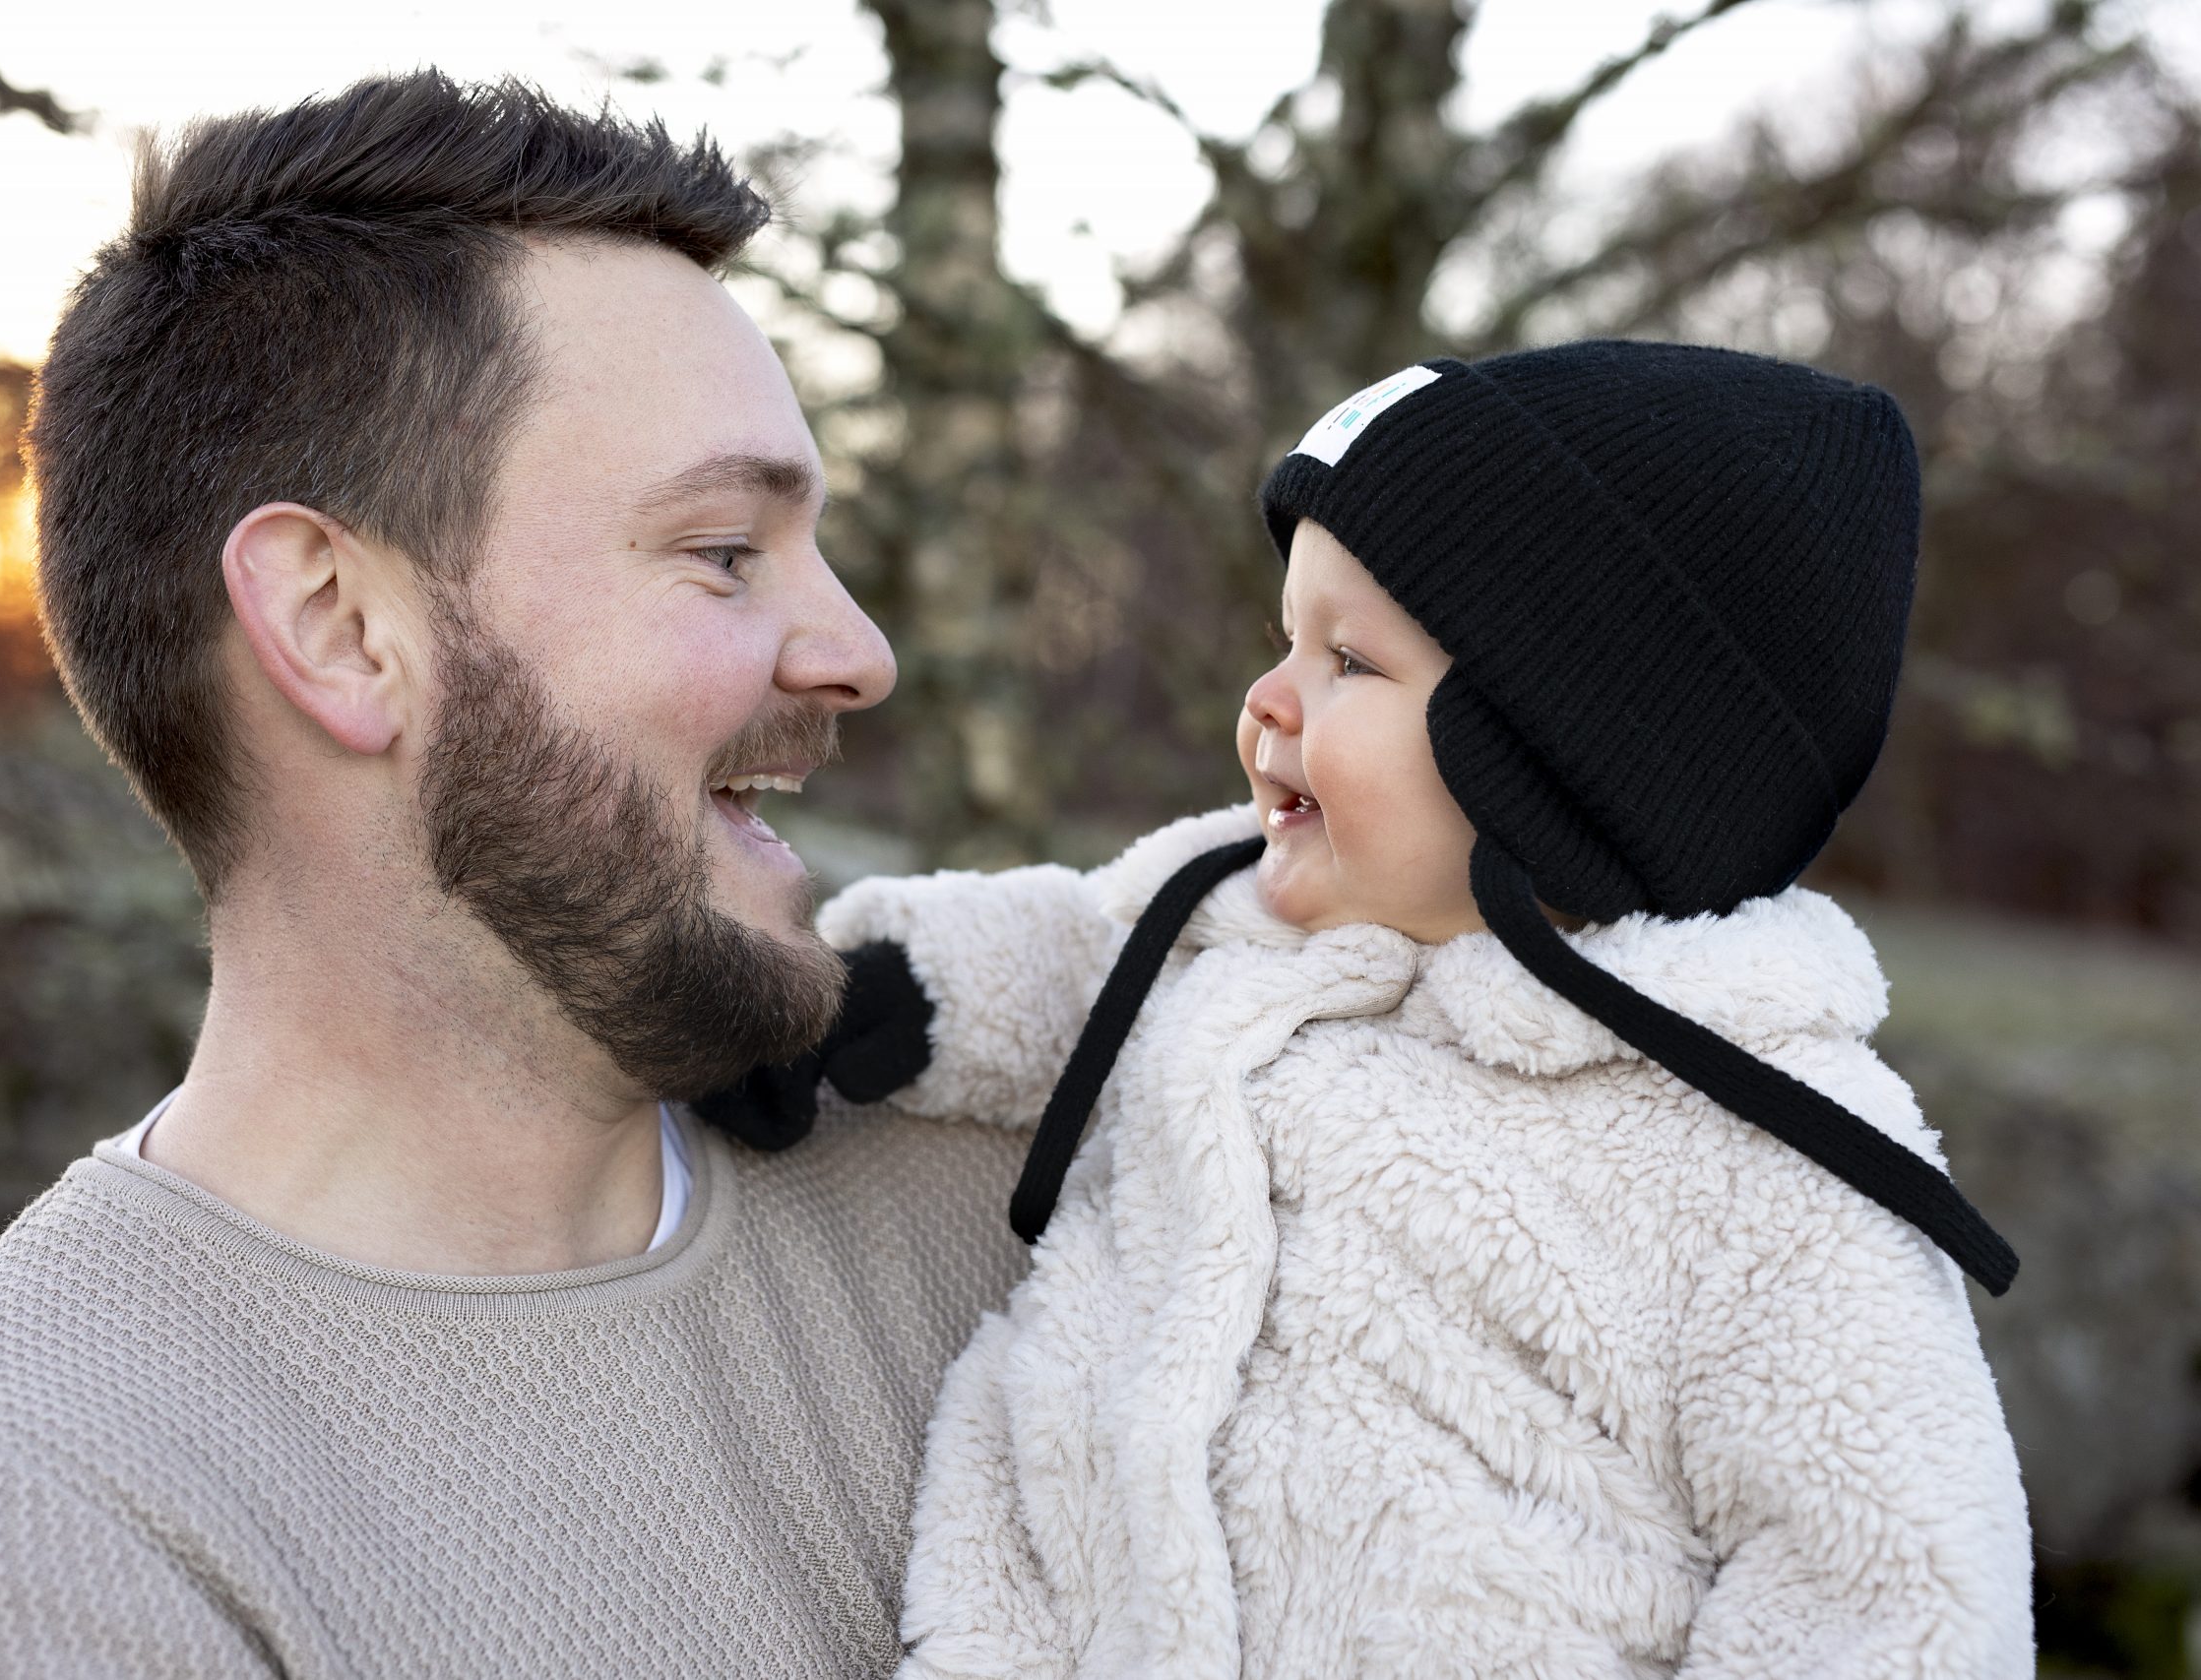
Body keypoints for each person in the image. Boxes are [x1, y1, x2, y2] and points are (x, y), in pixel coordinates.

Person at [0, 73, 1031, 1678]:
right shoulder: (0, 1510)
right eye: (726, 550)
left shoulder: (1021, 1203)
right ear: (338, 628)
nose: (858, 651)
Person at [751, 343, 2035, 1676]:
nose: (1268, 700)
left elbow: (1896, 1597)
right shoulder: (1248, 916)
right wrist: (868, 996)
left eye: (1350, 660)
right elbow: (1083, 949)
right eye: (1284, 641)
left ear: (1562, 760)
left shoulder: (1774, 1171)